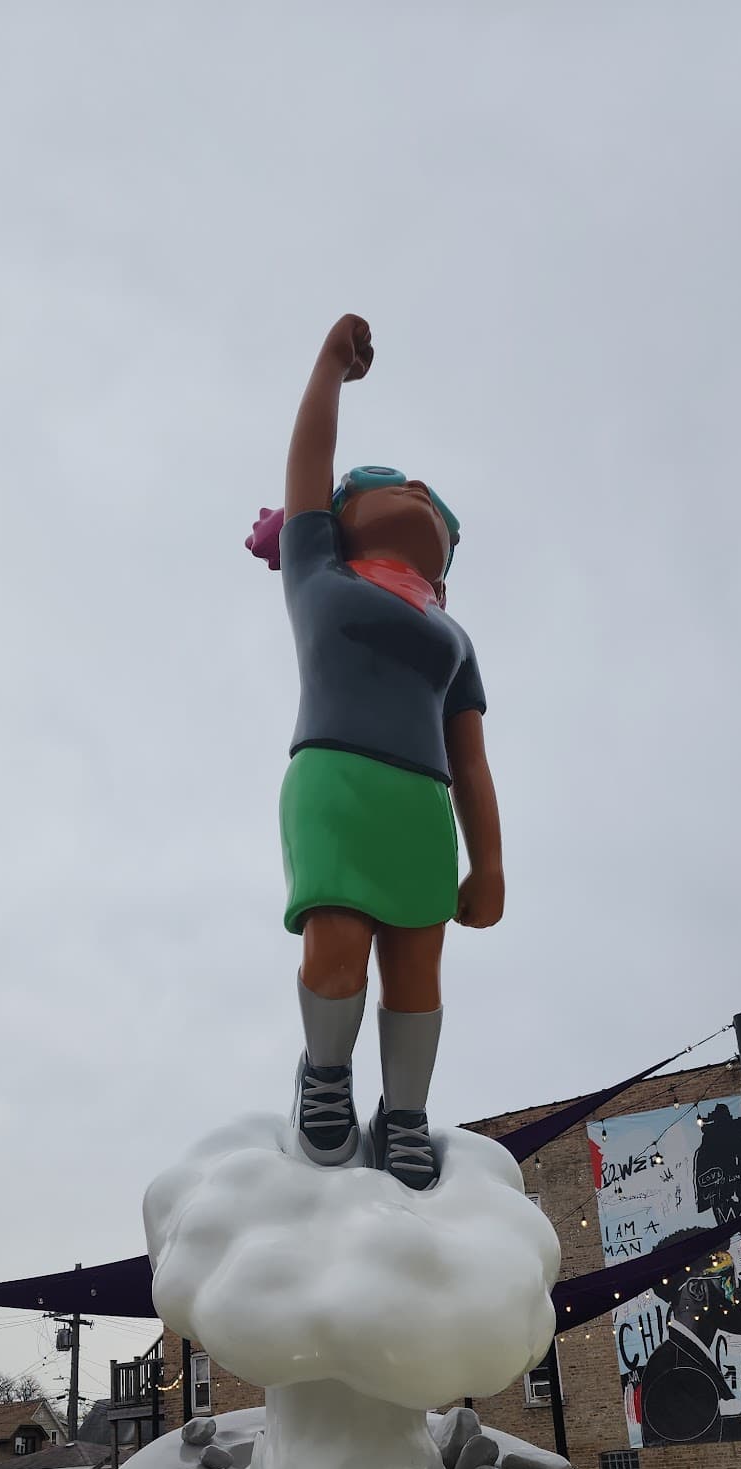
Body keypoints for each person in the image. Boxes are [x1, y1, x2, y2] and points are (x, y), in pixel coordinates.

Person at [248, 315, 504, 1191]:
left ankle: (404, 1113)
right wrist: (327, 368)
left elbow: (472, 759)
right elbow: (309, 464)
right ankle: (325, 1079)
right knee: (337, 936)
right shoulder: (319, 572)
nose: (420, 492)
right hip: (336, 779)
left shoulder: (452, 633)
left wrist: (491, 863)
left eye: (433, 499)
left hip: (422, 803)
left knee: (417, 963)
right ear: (343, 515)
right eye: (395, 486)